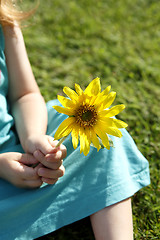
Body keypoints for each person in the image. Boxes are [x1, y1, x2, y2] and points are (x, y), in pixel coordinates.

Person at [0, 1, 150, 240]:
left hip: (17, 145)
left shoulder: (3, 20)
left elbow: (24, 95)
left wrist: (33, 138)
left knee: (101, 140)